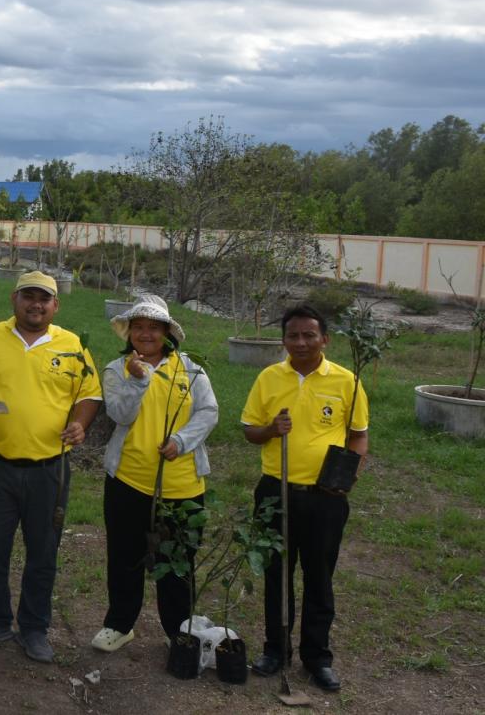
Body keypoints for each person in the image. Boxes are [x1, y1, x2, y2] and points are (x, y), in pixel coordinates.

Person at [0, 270, 102, 663]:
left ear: (56, 305)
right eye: (28, 297)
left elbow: (89, 395)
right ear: (14, 299)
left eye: (44, 298)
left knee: (43, 551)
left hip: (50, 470)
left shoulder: (72, 346)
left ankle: (35, 627)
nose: (35, 304)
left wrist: (80, 423)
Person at [242, 305, 368, 693]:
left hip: (326, 498)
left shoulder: (346, 381)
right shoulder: (269, 377)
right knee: (277, 575)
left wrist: (347, 477)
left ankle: (317, 658)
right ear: (284, 340)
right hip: (276, 492)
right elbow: (249, 429)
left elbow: (358, 435)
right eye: (293, 335)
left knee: (319, 577)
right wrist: (270, 429)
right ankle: (276, 650)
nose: (300, 342)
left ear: (324, 339)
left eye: (309, 335)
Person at [91, 295, 216, 653]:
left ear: (167, 333)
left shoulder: (191, 370)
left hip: (182, 484)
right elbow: (120, 415)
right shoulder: (117, 370)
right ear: (129, 333)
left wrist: (181, 441)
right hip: (129, 480)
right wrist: (137, 380)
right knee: (124, 555)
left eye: (154, 328)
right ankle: (120, 624)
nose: (146, 334)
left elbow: (208, 412)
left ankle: (177, 627)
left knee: (177, 560)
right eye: (139, 327)